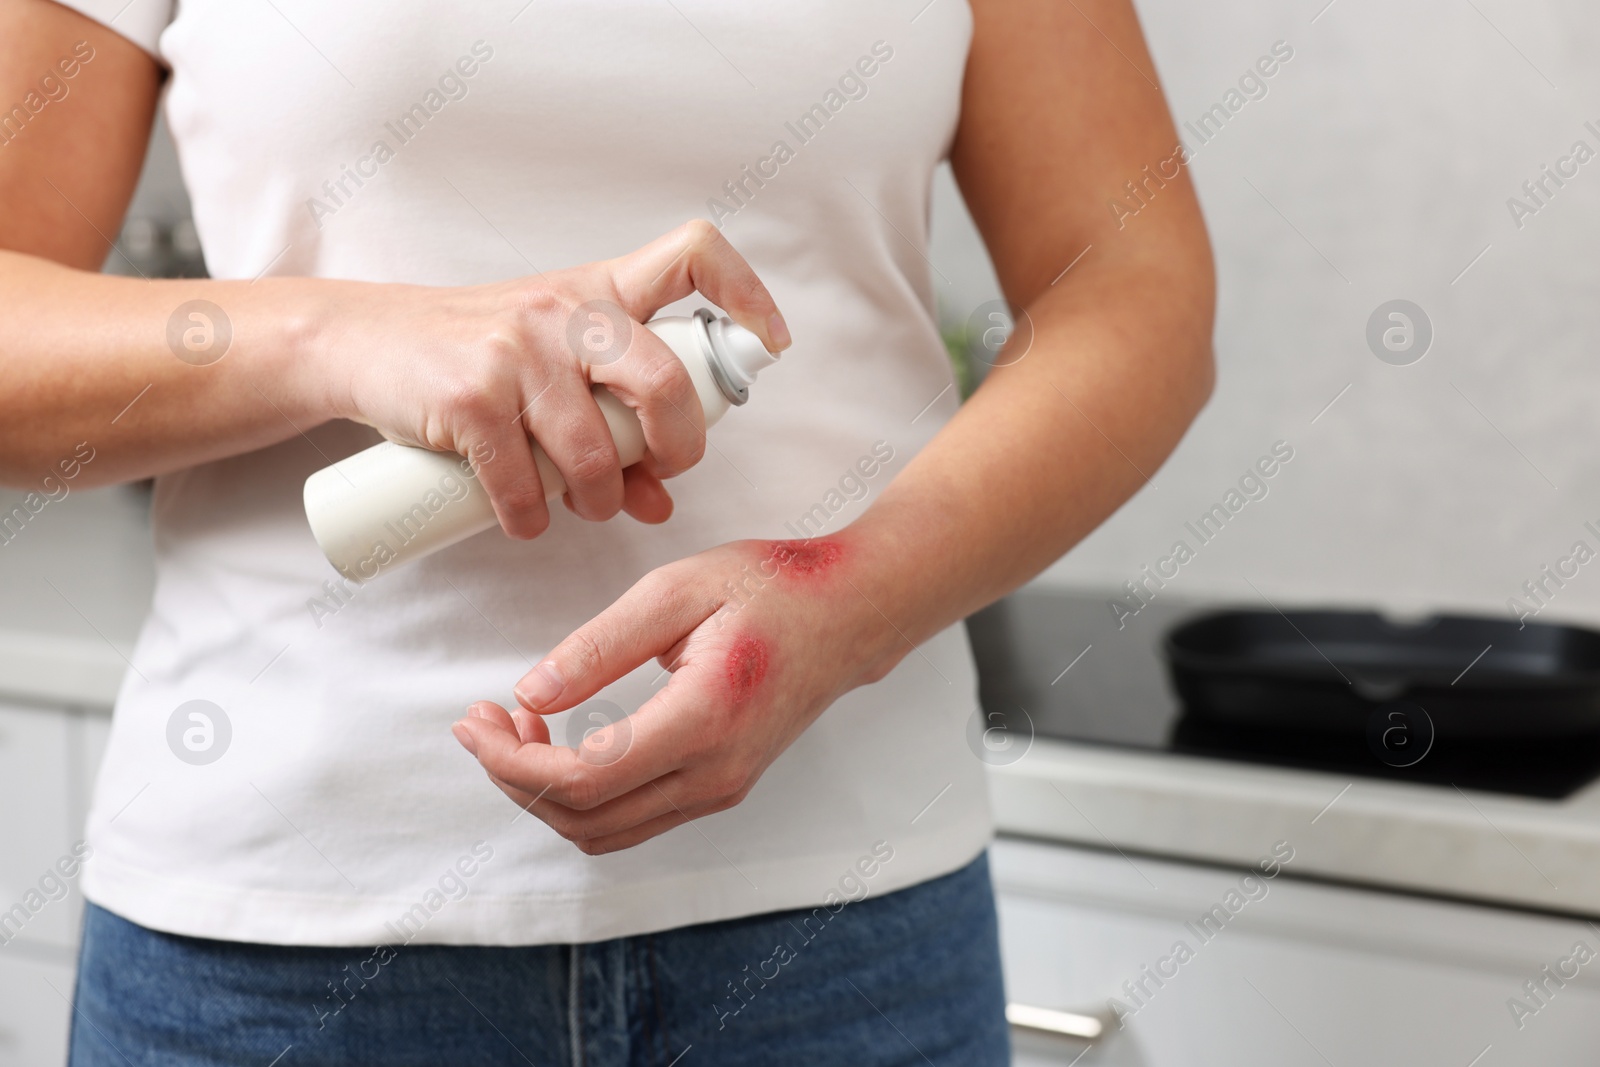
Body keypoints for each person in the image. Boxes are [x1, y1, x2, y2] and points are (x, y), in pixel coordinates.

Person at [0, 0, 1214, 1062]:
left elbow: (1130, 292)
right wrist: (333, 333)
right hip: (282, 947)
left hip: (849, 927)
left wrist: (858, 596)